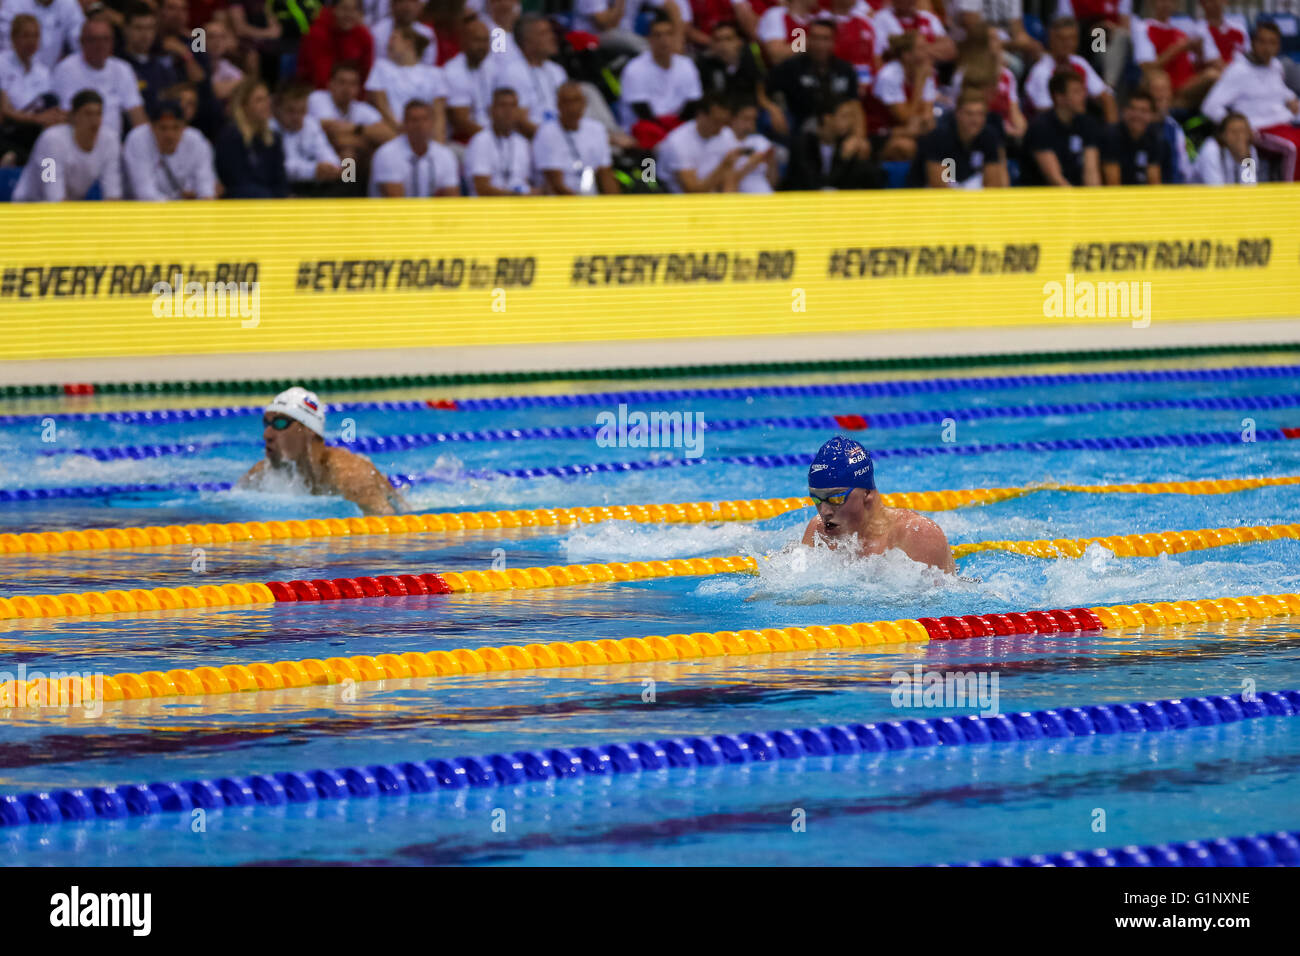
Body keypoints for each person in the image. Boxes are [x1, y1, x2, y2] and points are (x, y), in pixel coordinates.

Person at [239, 387, 406, 517]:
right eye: (266, 424)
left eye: (279, 423)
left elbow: (387, 530)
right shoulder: (262, 473)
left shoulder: (350, 476)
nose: (267, 434)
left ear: (308, 430)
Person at [801, 436, 955, 573]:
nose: (824, 511)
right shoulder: (818, 531)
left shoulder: (916, 535)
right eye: (816, 499)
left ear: (867, 492)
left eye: (835, 499)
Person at [1201, 21, 1300, 181]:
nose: (1266, 47)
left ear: (1278, 46)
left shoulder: (1276, 67)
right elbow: (1210, 106)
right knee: (1293, 148)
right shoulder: (1238, 71)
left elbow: (1278, 92)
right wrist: (1237, 129)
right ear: (1252, 43)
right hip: (1259, 129)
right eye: (1262, 42)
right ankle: (1292, 198)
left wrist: (1292, 100)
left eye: (1272, 42)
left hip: (1284, 125)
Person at [11, 86, 120, 198]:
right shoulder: (50, 141)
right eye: (88, 114)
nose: (94, 121)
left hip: (69, 208)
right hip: (29, 208)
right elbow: (52, 195)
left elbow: (112, 193)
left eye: (98, 114)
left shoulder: (109, 141)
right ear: (74, 116)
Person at [51, 18, 145, 141]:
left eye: (105, 39)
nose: (100, 45)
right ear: (82, 42)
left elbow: (137, 114)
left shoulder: (123, 69)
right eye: (94, 40)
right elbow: (65, 116)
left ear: (113, 42)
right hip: (76, 142)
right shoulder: (66, 69)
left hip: (114, 144)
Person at [618, 12, 702, 147]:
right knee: (649, 133)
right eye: (658, 35)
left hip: (677, 124)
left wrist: (677, 129)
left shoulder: (687, 64)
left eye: (669, 34)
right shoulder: (634, 68)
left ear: (675, 37)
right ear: (649, 39)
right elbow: (642, 110)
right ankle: (648, 168)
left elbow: (693, 102)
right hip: (645, 126)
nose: (664, 40)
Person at [765, 18, 857, 134]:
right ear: (807, 40)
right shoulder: (791, 67)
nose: (819, 44)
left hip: (837, 126)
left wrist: (859, 136)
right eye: (815, 38)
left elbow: (855, 104)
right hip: (799, 128)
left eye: (825, 39)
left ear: (833, 42)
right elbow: (762, 89)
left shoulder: (845, 69)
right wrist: (772, 109)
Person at [696, 19, 786, 137]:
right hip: (724, 113)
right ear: (712, 44)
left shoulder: (750, 55)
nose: (723, 45)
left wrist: (772, 108)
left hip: (751, 108)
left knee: (775, 118)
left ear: (739, 42)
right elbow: (709, 99)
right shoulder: (705, 64)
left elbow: (760, 90)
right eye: (718, 40)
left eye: (728, 39)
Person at [1024, 16, 1116, 123]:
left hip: (1075, 124)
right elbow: (1046, 112)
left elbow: (1106, 98)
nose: (1068, 44)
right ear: (1051, 39)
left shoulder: (1079, 62)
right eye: (1062, 39)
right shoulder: (1041, 71)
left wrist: (1112, 132)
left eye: (1072, 39)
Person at [1131, 0, 1220, 110]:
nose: (1166, 4)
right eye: (1162, 1)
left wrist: (1199, 52)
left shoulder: (1181, 31)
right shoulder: (1143, 27)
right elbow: (1147, 68)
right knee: (1212, 75)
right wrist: (1177, 49)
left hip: (1188, 84)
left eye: (1171, 1)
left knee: (1219, 75)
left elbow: (1193, 65)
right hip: (1166, 86)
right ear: (1152, 3)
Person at [533, 79, 618, 194]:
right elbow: (555, 184)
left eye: (576, 101)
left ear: (584, 103)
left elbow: (606, 174)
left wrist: (614, 207)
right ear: (558, 105)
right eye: (567, 102)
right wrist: (580, 207)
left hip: (590, 201)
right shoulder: (546, 133)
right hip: (559, 204)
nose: (572, 107)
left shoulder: (597, 130)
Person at [121, 96, 217, 198]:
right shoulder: (138, 139)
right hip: (141, 210)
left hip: (180, 208)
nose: (169, 135)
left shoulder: (196, 140)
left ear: (184, 126)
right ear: (151, 127)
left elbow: (206, 187)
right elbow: (145, 193)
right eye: (163, 128)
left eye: (175, 127)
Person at [914, 84, 1007, 187]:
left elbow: (993, 184)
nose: (975, 120)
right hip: (930, 195)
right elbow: (938, 186)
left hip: (971, 192)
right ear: (957, 113)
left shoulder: (989, 136)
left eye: (980, 114)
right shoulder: (939, 136)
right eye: (969, 114)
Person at [781, 94, 881, 189]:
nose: (850, 122)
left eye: (851, 117)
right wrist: (843, 159)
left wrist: (864, 159)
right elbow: (814, 185)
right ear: (828, 118)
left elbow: (873, 181)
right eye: (844, 116)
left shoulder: (847, 144)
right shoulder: (802, 144)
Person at [0, 14, 62, 165]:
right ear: (14, 39)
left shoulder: (43, 71)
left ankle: (51, 181)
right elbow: (4, 111)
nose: (31, 41)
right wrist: (35, 118)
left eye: (35, 36)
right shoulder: (3, 63)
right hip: (9, 128)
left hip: (34, 128)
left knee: (53, 109)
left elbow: (48, 108)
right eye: (26, 36)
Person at [1022, 68, 1101, 185]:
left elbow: (1091, 171)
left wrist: (1094, 200)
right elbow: (1055, 179)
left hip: (1078, 196)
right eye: (1076, 92)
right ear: (1060, 98)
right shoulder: (1040, 127)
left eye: (1083, 91)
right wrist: (1077, 202)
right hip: (1046, 197)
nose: (1083, 96)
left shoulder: (1087, 123)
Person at [866, 30, 936, 160]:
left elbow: (928, 116)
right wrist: (919, 85)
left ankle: (947, 178)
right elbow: (905, 118)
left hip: (908, 130)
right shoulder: (889, 75)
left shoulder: (923, 71)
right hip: (879, 132)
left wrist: (922, 124)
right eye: (922, 48)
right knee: (906, 147)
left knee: (939, 139)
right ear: (906, 55)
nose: (928, 52)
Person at [369, 97, 460, 195]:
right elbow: (395, 202)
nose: (420, 125)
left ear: (433, 123)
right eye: (414, 120)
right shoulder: (387, 154)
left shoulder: (445, 155)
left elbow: (451, 199)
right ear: (404, 123)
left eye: (425, 119)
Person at [215, 76, 289, 196]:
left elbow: (280, 181)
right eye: (259, 100)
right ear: (244, 106)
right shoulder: (230, 137)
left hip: (271, 205)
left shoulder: (274, 138)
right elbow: (236, 182)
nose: (266, 104)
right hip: (241, 207)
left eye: (267, 99)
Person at [496, 13, 566, 137]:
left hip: (561, 137)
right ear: (527, 41)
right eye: (544, 33)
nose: (552, 37)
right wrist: (551, 139)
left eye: (550, 32)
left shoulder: (557, 71)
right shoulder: (512, 73)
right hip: (532, 139)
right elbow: (519, 121)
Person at [367, 25, 447, 134]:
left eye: (393, 38)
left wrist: (439, 146)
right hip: (392, 130)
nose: (388, 44)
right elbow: (380, 105)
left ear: (408, 43)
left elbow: (439, 115)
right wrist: (399, 128)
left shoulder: (435, 74)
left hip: (425, 133)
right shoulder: (381, 67)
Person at [308, 60, 396, 159]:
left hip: (354, 158)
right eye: (342, 82)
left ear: (359, 88)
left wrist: (356, 129)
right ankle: (348, 175)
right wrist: (368, 141)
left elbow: (390, 135)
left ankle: (352, 174)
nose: (347, 88)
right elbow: (336, 137)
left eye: (353, 83)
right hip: (314, 158)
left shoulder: (361, 108)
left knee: (382, 152)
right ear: (330, 84)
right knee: (348, 153)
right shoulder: (318, 98)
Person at [273, 80, 345, 193]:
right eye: (290, 111)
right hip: (281, 188)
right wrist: (313, 170)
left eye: (302, 111)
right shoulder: (269, 129)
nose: (297, 117)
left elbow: (327, 153)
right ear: (277, 109)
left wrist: (331, 167)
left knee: (348, 177)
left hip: (312, 184)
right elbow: (280, 168)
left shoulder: (310, 124)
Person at [464, 85, 533, 193]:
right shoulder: (481, 141)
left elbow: (525, 181)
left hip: (519, 205)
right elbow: (482, 188)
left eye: (513, 106)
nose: (508, 111)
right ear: (491, 110)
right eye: (503, 105)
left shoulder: (522, 143)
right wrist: (514, 196)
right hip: (489, 207)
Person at [296, 0, 374, 88]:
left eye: (354, 10)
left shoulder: (364, 36)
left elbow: (367, 74)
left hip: (350, 94)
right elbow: (319, 77)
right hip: (315, 91)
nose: (348, 15)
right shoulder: (317, 33)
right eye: (344, 9)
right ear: (333, 9)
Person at [0, 0, 84, 70]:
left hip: (52, 74)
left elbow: (81, 43)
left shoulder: (68, 4)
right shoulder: (13, 3)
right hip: (13, 69)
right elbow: (7, 44)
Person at [1101, 88, 1162, 184]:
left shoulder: (1154, 137)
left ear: (1152, 115)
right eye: (1133, 109)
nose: (1137, 115)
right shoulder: (1112, 135)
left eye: (1143, 111)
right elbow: (1113, 184)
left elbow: (1154, 182)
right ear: (1124, 111)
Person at [1192, 111, 1261, 184]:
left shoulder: (1250, 150)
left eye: (1243, 131)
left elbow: (1250, 188)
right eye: (1234, 132)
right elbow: (1215, 188)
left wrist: (1244, 159)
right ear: (1223, 135)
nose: (1240, 137)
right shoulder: (1211, 150)